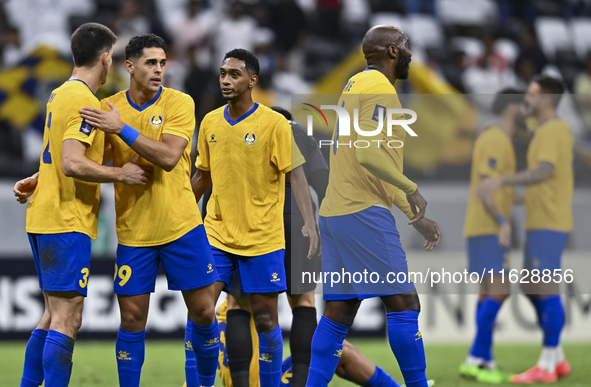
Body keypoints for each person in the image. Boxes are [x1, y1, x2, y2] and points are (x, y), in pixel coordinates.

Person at [78, 34, 220, 387]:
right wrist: (40, 177)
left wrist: (120, 129)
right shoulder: (108, 107)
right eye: (150, 63)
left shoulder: (179, 102)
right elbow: (85, 158)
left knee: (203, 312)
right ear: (129, 66)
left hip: (182, 225)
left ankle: (202, 383)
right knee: (131, 318)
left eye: (162, 63)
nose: (159, 70)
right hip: (134, 232)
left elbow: (170, 158)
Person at [12, 23, 148, 387]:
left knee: (51, 315)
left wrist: (39, 176)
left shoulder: (59, 94)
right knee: (68, 319)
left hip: (44, 214)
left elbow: (60, 155)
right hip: (65, 220)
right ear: (105, 58)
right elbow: (73, 164)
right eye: (113, 60)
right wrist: (120, 174)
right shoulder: (86, 101)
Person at [305, 25, 441, 387]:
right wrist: (411, 189)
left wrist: (412, 215)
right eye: (407, 46)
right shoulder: (381, 88)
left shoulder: (355, 85)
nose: (411, 54)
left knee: (337, 314)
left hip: (335, 212)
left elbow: (364, 161)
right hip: (360, 211)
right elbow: (367, 154)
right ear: (393, 51)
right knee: (404, 303)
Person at [190, 48, 319, 387]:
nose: (226, 80)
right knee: (202, 308)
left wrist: (309, 222)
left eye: (234, 74)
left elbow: (298, 177)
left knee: (264, 317)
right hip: (217, 233)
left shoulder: (274, 123)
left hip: (263, 237)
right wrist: (182, 216)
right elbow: (201, 178)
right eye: (222, 73)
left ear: (252, 80)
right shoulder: (210, 122)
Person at [219, 106, 327, 387]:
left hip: (249, 222)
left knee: (238, 303)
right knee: (303, 301)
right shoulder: (299, 133)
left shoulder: (241, 128)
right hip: (297, 219)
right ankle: (302, 383)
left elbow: (217, 182)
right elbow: (323, 181)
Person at [478, 76, 573, 383]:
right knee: (533, 288)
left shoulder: (551, 130)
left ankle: (547, 365)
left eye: (531, 94)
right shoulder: (547, 132)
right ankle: (556, 359)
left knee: (544, 288)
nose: (526, 100)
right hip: (542, 221)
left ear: (545, 98)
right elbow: (545, 181)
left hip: (549, 223)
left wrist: (504, 181)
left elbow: (543, 173)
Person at [209, 297, 434, 387]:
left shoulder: (224, 311)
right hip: (267, 382)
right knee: (338, 349)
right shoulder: (253, 302)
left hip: (251, 380)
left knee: (332, 351)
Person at [458, 89, 524, 384]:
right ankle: (474, 358)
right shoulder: (496, 138)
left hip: (480, 226)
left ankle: (485, 361)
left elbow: (496, 186)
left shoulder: (495, 137)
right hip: (488, 226)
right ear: (512, 107)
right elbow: (485, 186)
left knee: (486, 293)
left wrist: (522, 198)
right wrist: (502, 221)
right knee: (501, 290)